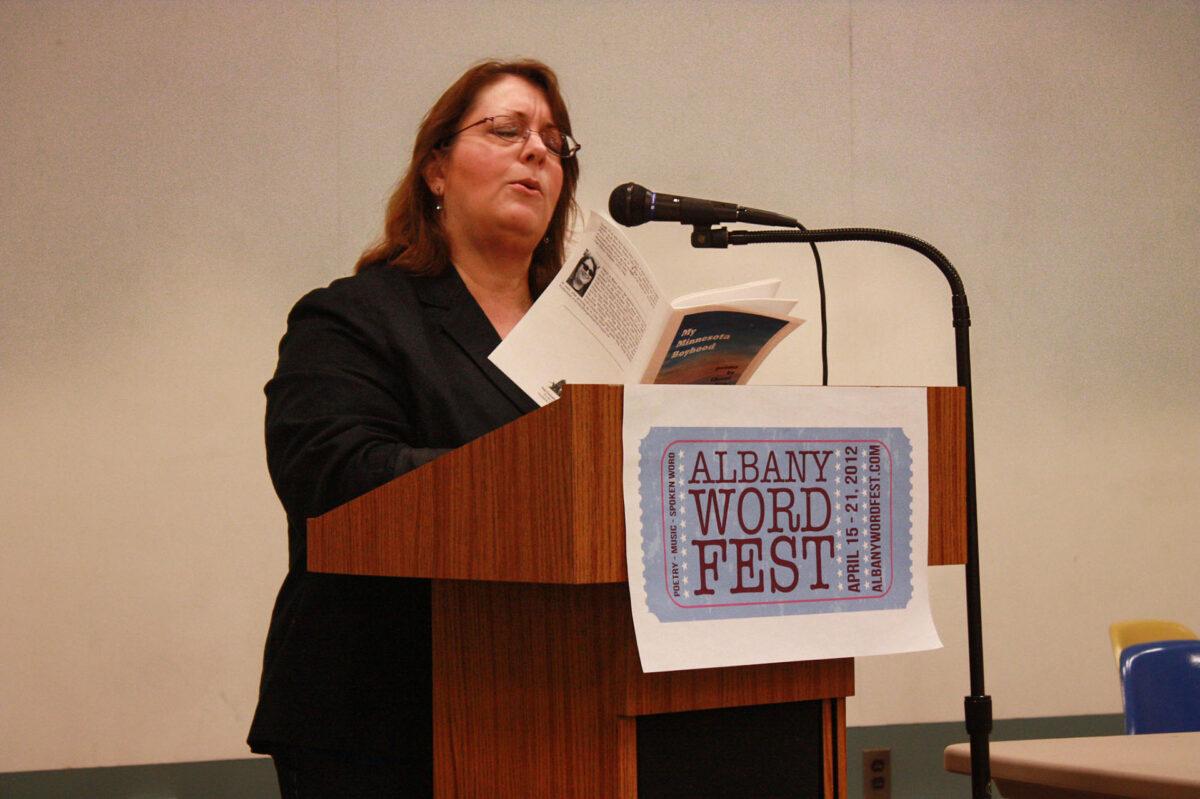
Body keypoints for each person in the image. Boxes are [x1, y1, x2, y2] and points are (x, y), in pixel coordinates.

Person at [247, 59, 581, 797]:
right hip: (380, 719)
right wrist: (542, 474)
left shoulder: (586, 346)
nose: (537, 151)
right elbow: (332, 476)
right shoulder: (354, 317)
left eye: (555, 143)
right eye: (507, 130)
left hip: (564, 700)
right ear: (435, 168)